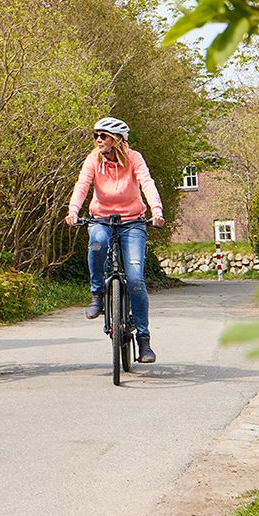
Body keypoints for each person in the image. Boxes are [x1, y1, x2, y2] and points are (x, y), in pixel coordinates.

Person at [65, 116, 165, 364]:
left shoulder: (134, 158)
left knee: (135, 278)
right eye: (96, 135)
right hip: (101, 218)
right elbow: (82, 185)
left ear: (118, 140)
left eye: (104, 136)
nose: (98, 139)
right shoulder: (93, 159)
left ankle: (143, 340)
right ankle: (97, 295)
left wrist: (157, 210)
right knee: (97, 243)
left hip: (133, 221)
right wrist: (73, 211)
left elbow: (147, 182)